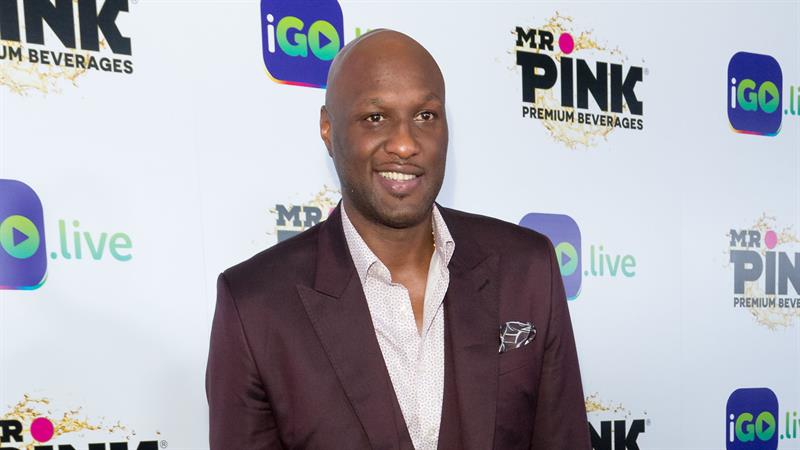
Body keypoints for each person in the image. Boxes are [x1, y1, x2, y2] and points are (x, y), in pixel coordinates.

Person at [206, 29, 591, 450]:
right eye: (376, 117)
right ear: (328, 129)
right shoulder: (255, 307)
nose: (406, 144)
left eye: (425, 116)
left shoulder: (527, 268)